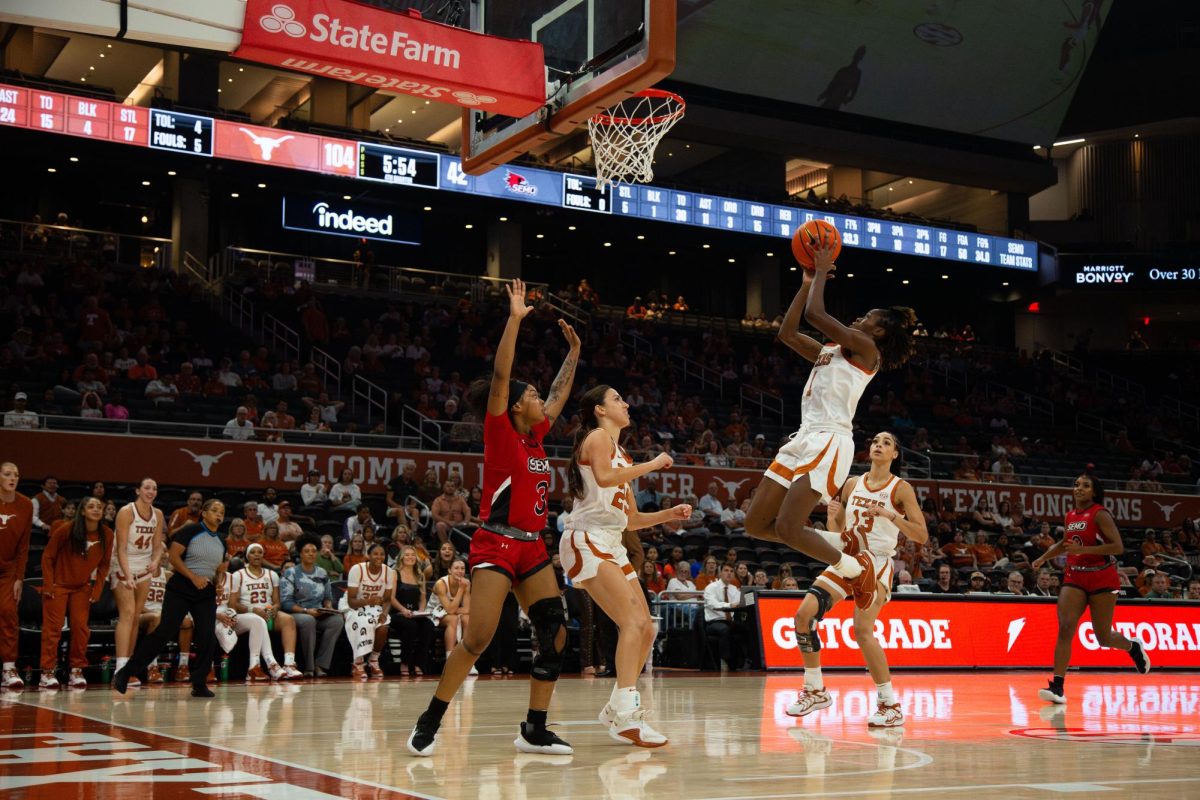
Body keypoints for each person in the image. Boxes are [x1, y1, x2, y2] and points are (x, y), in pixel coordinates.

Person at [408, 279, 580, 757]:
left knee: (554, 632)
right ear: (517, 404)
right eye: (532, 396)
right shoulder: (501, 434)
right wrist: (515, 319)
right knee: (479, 638)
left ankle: (535, 728)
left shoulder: (536, 436)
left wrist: (574, 352)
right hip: (495, 542)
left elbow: (560, 395)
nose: (538, 400)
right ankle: (433, 716)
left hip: (533, 545)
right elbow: (502, 378)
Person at [743, 242, 918, 612]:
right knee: (755, 525)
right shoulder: (834, 351)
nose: (860, 319)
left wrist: (822, 270)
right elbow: (787, 333)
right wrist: (807, 281)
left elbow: (817, 314)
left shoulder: (868, 349)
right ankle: (844, 546)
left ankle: (854, 568)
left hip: (830, 438)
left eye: (868, 317)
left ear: (881, 332)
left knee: (790, 529)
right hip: (803, 437)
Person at [560, 384, 693, 747]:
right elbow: (603, 478)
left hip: (612, 542)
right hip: (586, 538)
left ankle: (616, 706)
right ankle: (627, 714)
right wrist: (653, 464)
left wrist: (670, 514)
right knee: (632, 622)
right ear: (600, 410)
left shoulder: (622, 454)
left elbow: (630, 520)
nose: (626, 402)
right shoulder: (598, 437)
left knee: (646, 629)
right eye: (617, 398)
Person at [786, 431, 927, 727]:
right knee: (803, 615)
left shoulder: (901, 489)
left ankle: (889, 704)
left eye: (887, 442)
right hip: (847, 556)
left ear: (895, 454)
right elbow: (836, 529)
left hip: (875, 561)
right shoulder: (851, 484)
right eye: (876, 441)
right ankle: (815, 690)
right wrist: (834, 514)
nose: (879, 445)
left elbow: (921, 535)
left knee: (862, 630)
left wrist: (890, 516)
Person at [1033, 475, 1150, 705]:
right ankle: (1057, 686)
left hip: (1102, 577)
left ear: (1094, 492)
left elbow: (1117, 547)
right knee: (1066, 627)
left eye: (1085, 486)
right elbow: (1066, 544)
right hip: (1075, 574)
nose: (1079, 488)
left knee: (1103, 638)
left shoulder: (1100, 514)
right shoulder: (1070, 515)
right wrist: (1043, 557)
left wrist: (1083, 548)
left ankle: (1132, 646)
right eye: (1076, 484)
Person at [114, 499, 228, 698]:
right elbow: (174, 558)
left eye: (222, 512)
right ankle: (125, 672)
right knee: (165, 631)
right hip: (182, 586)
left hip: (204, 590)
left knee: (207, 636)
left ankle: (199, 683)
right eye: (215, 510)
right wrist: (193, 577)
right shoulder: (190, 531)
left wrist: (218, 581)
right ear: (203, 513)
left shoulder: (222, 541)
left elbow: (217, 570)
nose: (219, 515)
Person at [39, 496, 113, 688]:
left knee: (80, 628)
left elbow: (104, 565)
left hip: (82, 587)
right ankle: (47, 672)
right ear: (82, 511)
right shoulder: (66, 529)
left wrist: (97, 589)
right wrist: (48, 585)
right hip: (58, 586)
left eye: (99, 506)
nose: (96, 509)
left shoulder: (107, 533)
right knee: (52, 630)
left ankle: (76, 670)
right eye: (91, 506)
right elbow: (47, 557)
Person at [110, 477, 166, 687]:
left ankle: (129, 670)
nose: (151, 491)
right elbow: (121, 547)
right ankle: (120, 668)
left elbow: (158, 544)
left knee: (135, 617)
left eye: (154, 488)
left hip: (144, 567)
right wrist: (126, 574)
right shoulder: (126, 512)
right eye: (147, 488)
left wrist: (155, 561)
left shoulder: (158, 514)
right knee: (127, 614)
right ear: (137, 491)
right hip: (123, 564)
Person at [229, 543, 303, 679]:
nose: (257, 554)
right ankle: (270, 665)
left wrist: (275, 608)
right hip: (248, 613)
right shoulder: (238, 575)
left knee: (289, 619)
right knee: (258, 621)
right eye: (253, 552)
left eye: (259, 552)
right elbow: (233, 604)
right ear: (247, 556)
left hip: (267, 612)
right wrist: (252, 609)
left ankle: (289, 664)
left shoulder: (272, 574)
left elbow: (276, 602)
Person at [281, 533, 344, 677]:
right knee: (308, 621)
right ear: (300, 554)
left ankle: (320, 665)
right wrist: (306, 611)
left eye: (314, 551)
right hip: (297, 613)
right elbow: (286, 603)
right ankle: (308, 667)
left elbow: (327, 597)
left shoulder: (322, 572)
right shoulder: (291, 573)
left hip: (318, 612)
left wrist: (328, 607)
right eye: (307, 551)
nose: (311, 554)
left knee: (337, 620)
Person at [341, 543, 396, 680]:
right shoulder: (357, 569)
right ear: (368, 556)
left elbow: (388, 599)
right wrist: (369, 601)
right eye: (375, 554)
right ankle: (358, 662)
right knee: (362, 622)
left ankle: (373, 660)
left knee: (383, 627)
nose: (379, 557)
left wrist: (384, 613)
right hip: (354, 605)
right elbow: (351, 601)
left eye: (382, 554)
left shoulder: (389, 572)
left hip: (375, 607)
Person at [392, 545, 434, 677]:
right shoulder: (395, 573)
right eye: (407, 554)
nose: (410, 557)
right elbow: (391, 598)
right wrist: (403, 610)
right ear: (401, 558)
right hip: (397, 612)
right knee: (411, 626)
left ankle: (419, 663)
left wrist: (421, 611)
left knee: (428, 625)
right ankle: (404, 662)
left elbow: (422, 599)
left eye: (412, 555)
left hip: (414, 613)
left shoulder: (420, 574)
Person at [703, 564, 752, 670]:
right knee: (725, 629)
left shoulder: (734, 589)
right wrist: (729, 605)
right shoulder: (711, 587)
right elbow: (713, 604)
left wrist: (749, 597)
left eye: (731, 571)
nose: (729, 573)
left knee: (748, 628)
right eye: (726, 570)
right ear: (720, 573)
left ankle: (748, 659)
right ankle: (727, 660)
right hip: (714, 622)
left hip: (729, 621)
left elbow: (742, 602)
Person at [432, 559, 471, 665]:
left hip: (452, 612)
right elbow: (449, 610)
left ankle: (466, 657)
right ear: (449, 570)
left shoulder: (466, 583)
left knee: (467, 619)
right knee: (453, 620)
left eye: (462, 568)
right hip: (434, 613)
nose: (460, 571)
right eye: (456, 568)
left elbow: (467, 609)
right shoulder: (441, 583)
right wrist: (461, 589)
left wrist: (453, 610)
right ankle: (450, 659)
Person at [430, 479, 472, 544]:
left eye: (452, 486)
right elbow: (434, 515)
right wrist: (448, 522)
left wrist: (466, 522)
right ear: (444, 487)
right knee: (439, 525)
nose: (450, 488)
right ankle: (447, 546)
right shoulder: (438, 500)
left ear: (455, 488)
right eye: (448, 486)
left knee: (478, 526)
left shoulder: (460, 499)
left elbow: (467, 510)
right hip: (446, 524)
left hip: (460, 524)